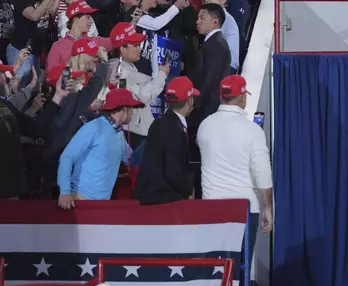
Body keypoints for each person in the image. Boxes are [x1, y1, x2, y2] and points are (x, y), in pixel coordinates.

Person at [198, 75, 273, 255]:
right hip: (243, 208)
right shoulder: (252, 130)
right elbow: (262, 172)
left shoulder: (205, 125)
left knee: (216, 269)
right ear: (243, 97)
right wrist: (268, 208)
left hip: (212, 206)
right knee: (241, 268)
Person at [57, 88, 144, 207]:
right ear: (124, 109)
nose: (133, 113)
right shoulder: (93, 127)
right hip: (80, 199)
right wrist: (65, 192)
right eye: (132, 109)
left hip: (102, 204)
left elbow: (131, 159)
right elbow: (67, 157)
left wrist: (150, 143)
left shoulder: (118, 133)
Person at [133, 76, 200, 204]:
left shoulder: (160, 122)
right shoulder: (174, 128)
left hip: (151, 197)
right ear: (190, 101)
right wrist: (188, 190)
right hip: (161, 200)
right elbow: (173, 171)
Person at [187, 3, 231, 125]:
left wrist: (195, 104)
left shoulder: (215, 45)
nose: (197, 22)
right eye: (197, 18)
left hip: (205, 110)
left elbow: (209, 79)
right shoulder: (214, 42)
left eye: (202, 18)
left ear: (215, 22)